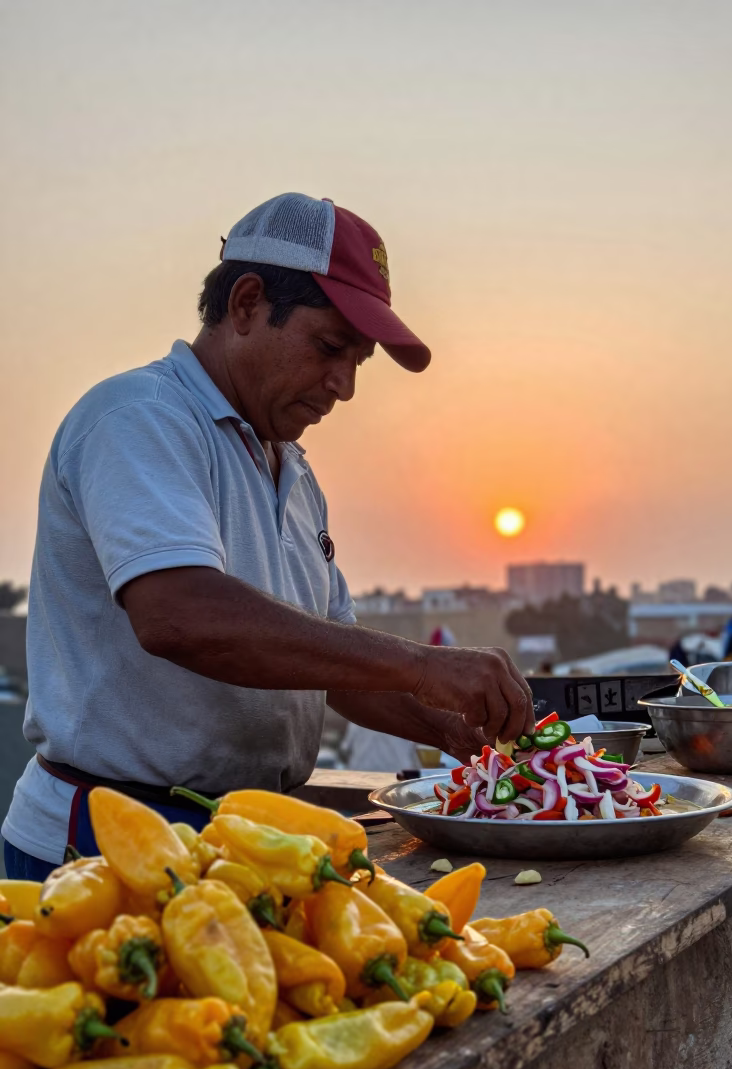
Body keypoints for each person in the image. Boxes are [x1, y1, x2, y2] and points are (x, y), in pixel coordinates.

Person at [2, 193, 533, 879]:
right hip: (112, 842)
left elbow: (332, 669)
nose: (342, 386)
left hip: (251, 839)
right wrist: (425, 666)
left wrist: (452, 729)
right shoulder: (140, 418)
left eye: (358, 362)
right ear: (247, 304)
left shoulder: (290, 468)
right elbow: (180, 616)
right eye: (329, 347)